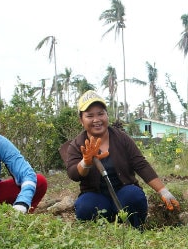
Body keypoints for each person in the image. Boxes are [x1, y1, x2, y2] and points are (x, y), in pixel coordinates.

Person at [59, 90, 180, 228]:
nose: (96, 119)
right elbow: (73, 173)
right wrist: (85, 162)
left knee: (134, 197)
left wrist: (163, 191)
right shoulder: (77, 144)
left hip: (124, 192)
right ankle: (102, 229)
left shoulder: (121, 138)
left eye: (100, 113)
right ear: (81, 120)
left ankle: (134, 226)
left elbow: (140, 164)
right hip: (96, 196)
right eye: (90, 115)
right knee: (85, 207)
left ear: (107, 115)